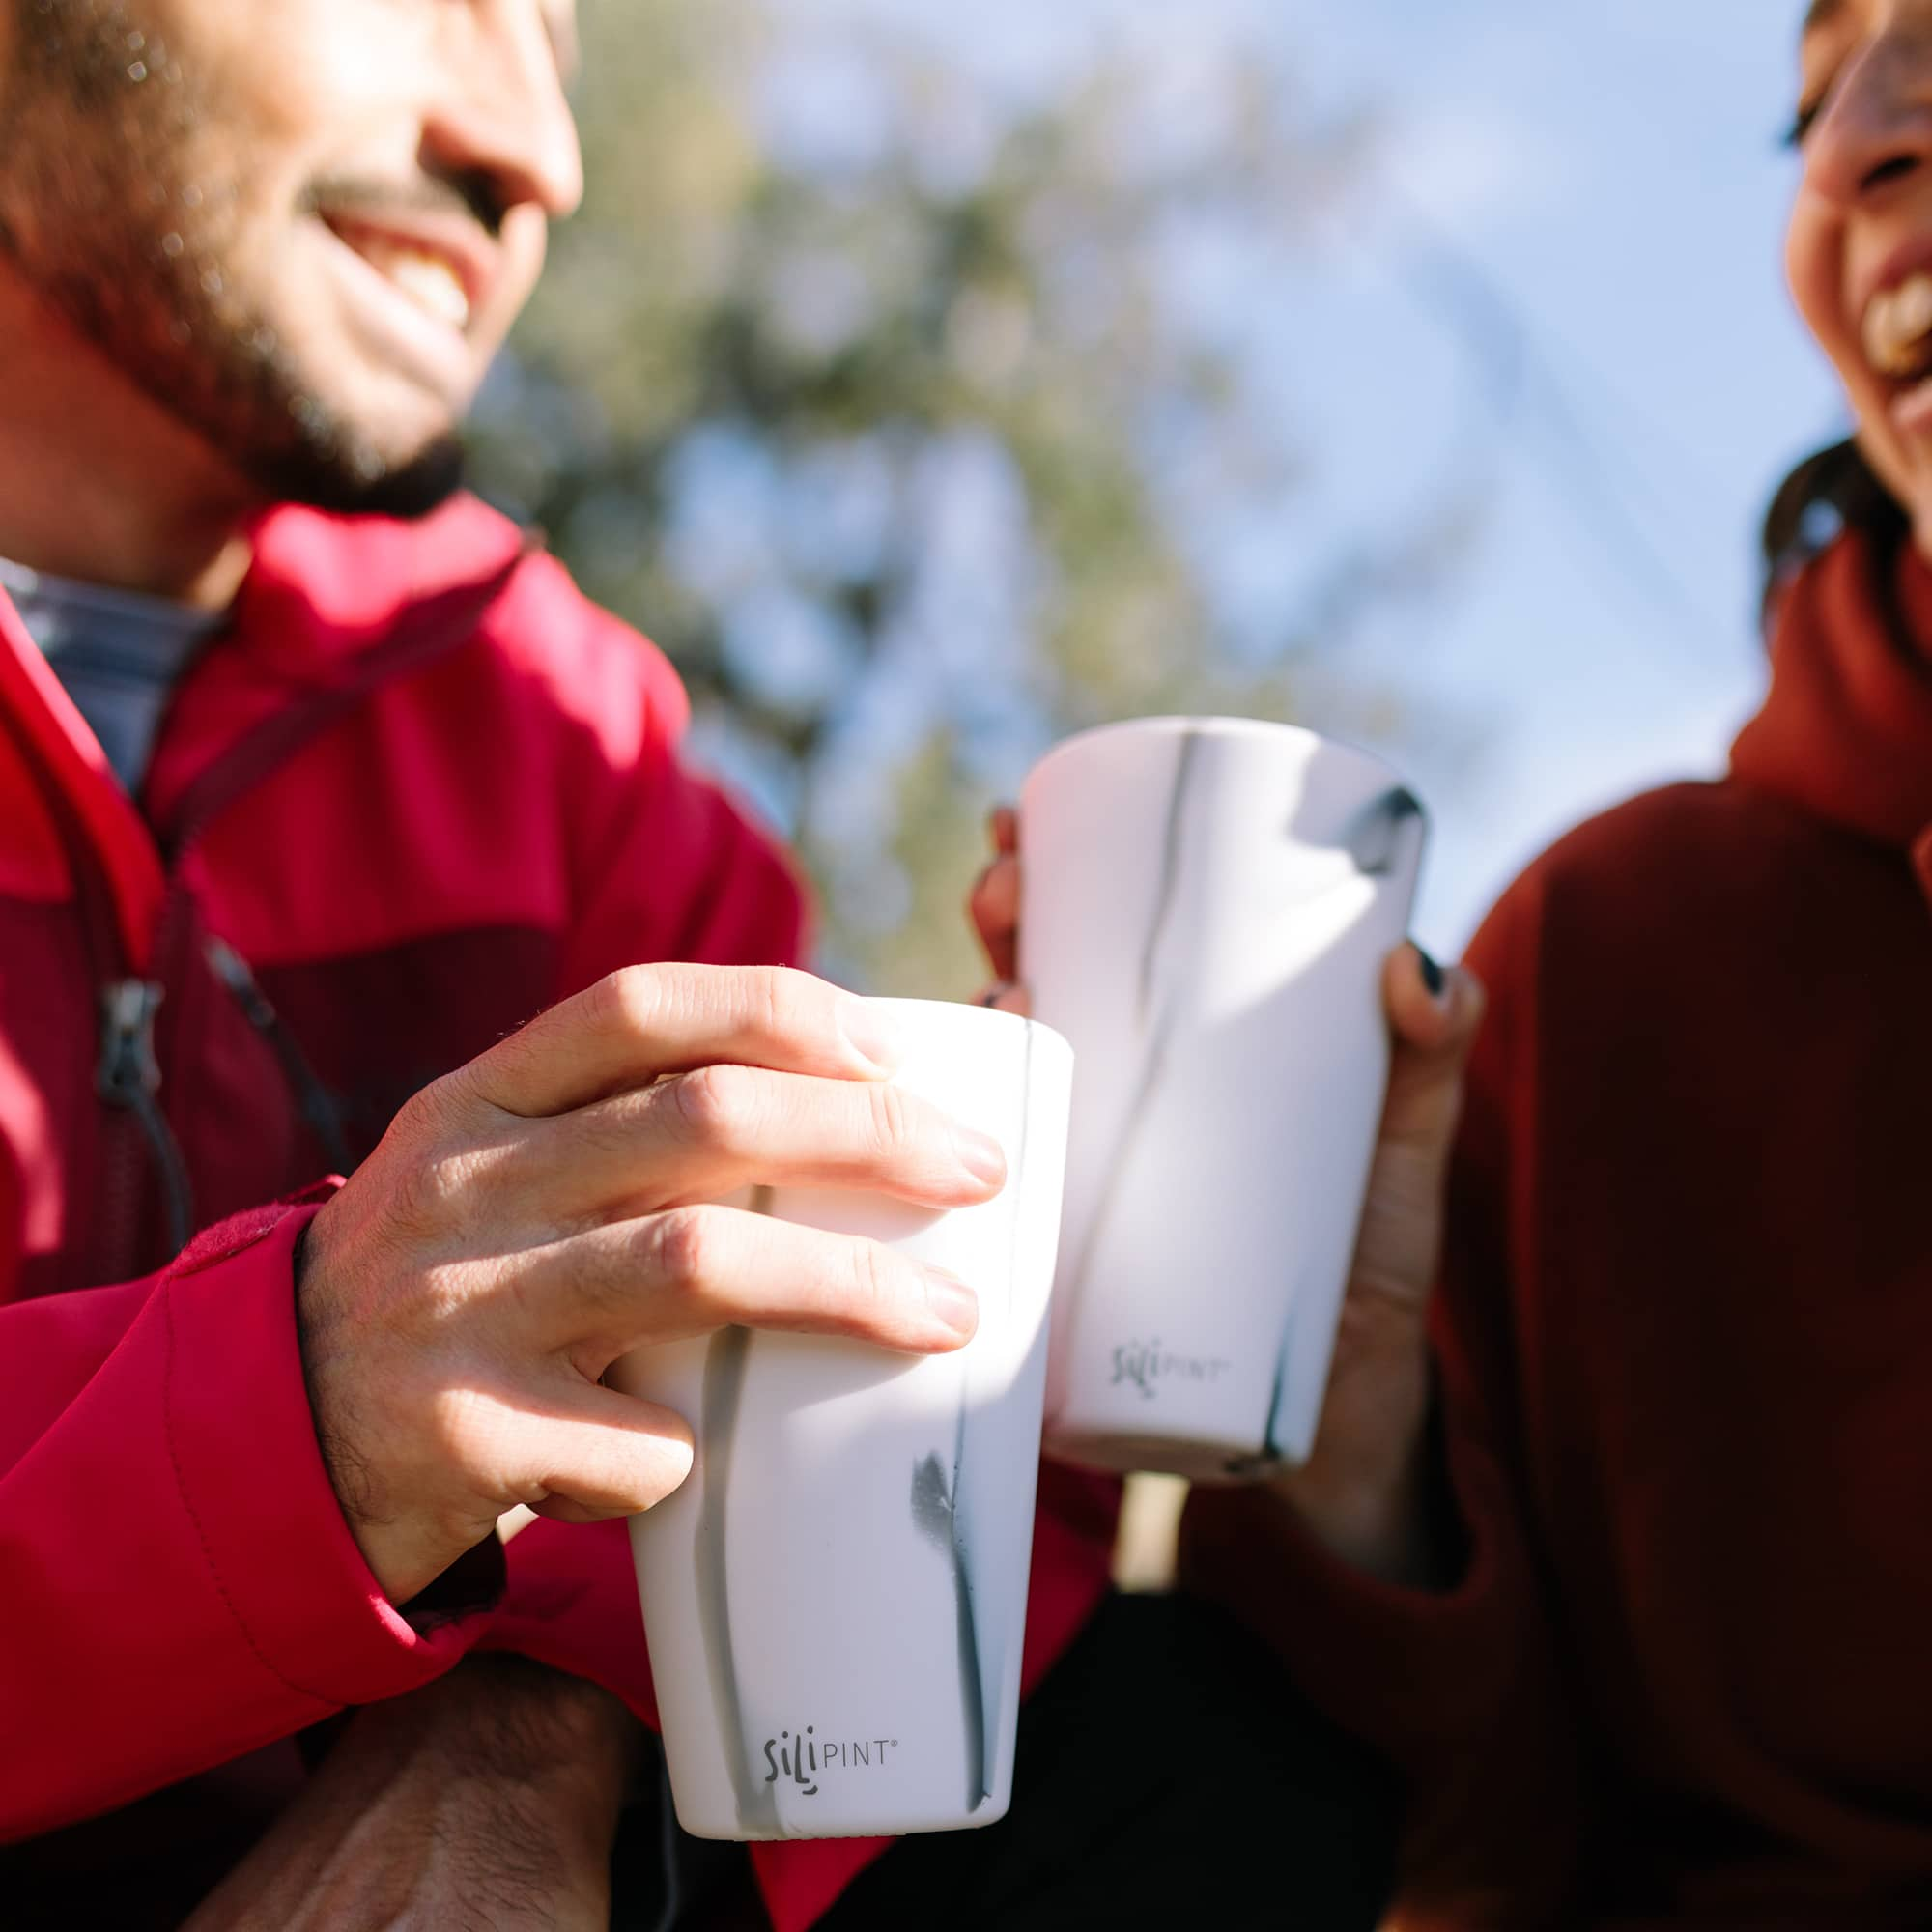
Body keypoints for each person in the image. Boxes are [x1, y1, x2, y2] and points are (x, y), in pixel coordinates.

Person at [0, 2, 1470, 1925]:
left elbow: (881, 1513)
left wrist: (533, 1726)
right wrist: (308, 1404)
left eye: (559, 26)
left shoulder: (567, 737)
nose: (538, 151)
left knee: (1202, 1767)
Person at [1103, 0, 1932, 1922]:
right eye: (1814, 89)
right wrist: (1359, 1451)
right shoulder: (1611, 963)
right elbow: (1462, 1856)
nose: (1853, 144)